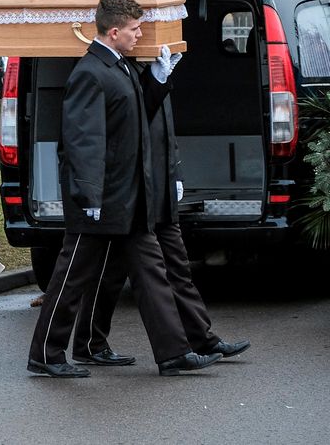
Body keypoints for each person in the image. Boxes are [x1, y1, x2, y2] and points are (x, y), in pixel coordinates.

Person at [27, 0, 221, 377]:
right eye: (135, 29)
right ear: (114, 32)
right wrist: (89, 193)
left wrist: (158, 80)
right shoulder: (90, 72)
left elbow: (133, 117)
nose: (140, 35)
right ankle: (45, 354)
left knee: (153, 276)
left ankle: (173, 353)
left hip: (129, 197)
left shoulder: (120, 68)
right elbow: (83, 140)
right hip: (100, 197)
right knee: (70, 278)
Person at [72, 45, 251, 366]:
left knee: (176, 267)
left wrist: (175, 172)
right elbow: (119, 130)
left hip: (158, 184)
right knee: (112, 273)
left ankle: (202, 339)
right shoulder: (125, 74)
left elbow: (165, 132)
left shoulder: (146, 70)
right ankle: (92, 343)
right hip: (134, 188)